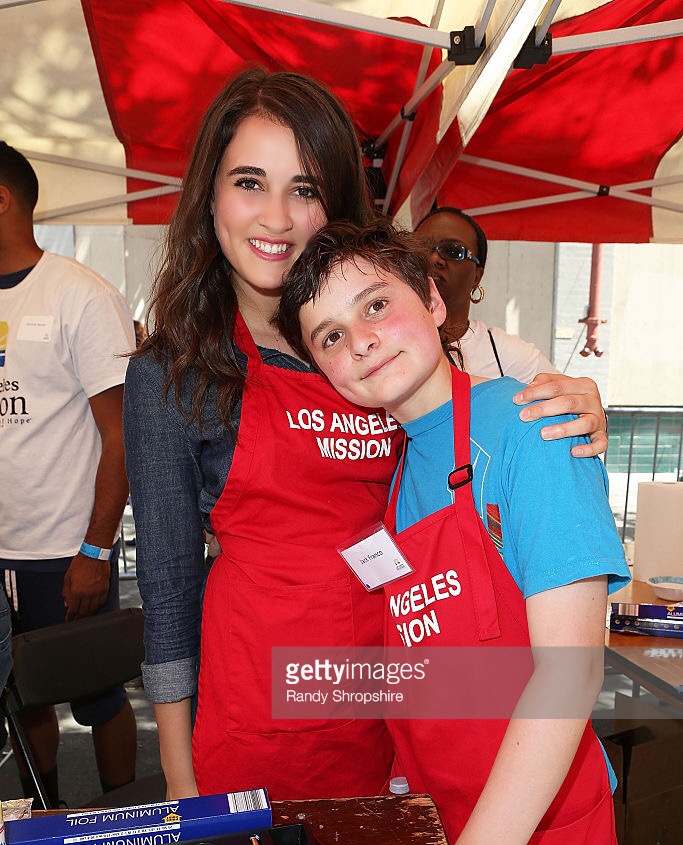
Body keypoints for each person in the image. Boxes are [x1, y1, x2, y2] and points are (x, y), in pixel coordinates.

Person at [124, 67, 611, 802]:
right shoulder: (175, 373)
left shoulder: (379, 350)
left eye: (306, 189)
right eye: (249, 182)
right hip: (262, 712)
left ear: (336, 208)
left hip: (414, 697)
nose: (277, 219)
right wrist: (178, 778)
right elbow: (166, 590)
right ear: (209, 196)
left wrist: (568, 403)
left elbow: (478, 432)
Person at [276, 219, 639, 845]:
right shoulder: (400, 465)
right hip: (444, 825)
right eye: (331, 335)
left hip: (535, 832)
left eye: (377, 305)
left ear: (435, 300)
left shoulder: (529, 422)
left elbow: (570, 668)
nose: (361, 342)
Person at [0, 142, 137, 804]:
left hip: (63, 552)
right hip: (1, 551)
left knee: (99, 695)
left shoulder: (81, 296)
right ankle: (44, 817)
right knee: (24, 699)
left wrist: (94, 550)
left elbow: (123, 436)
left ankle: (120, 820)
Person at [415, 206, 562, 381]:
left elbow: (570, 401)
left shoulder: (507, 356)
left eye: (453, 251)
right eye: (421, 248)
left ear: (477, 277)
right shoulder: (383, 340)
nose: (434, 259)